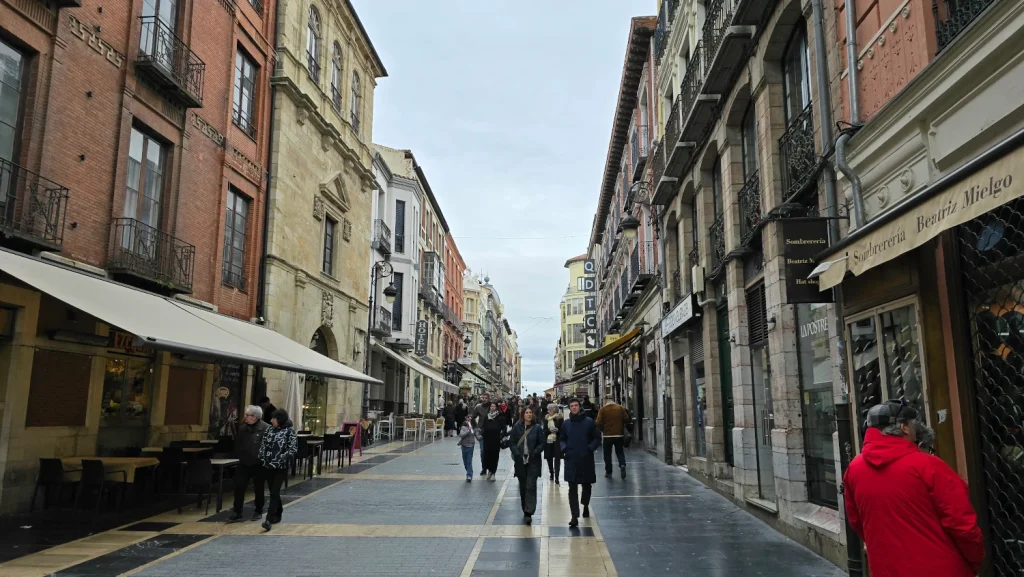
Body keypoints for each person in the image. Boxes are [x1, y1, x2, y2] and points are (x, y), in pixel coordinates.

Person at [843, 401, 984, 577]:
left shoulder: (854, 469)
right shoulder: (928, 466)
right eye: (913, 425)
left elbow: (857, 522)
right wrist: (975, 562)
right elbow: (963, 525)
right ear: (904, 427)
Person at [559, 397, 600, 528]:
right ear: (569, 408)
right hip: (571, 458)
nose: (574, 408)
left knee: (587, 485)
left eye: (576, 405)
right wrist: (564, 448)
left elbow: (597, 438)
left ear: (580, 406)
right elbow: (562, 439)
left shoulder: (589, 422)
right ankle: (574, 516)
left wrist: (589, 449)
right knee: (572, 488)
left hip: (586, 458)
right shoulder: (566, 424)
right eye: (572, 406)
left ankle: (585, 504)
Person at [258, 409, 298, 531]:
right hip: (268, 465)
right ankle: (278, 512)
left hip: (281, 467)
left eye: (273, 419)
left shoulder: (289, 432)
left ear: (279, 419)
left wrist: (281, 458)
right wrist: (262, 456)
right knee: (273, 491)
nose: (271, 421)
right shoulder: (269, 430)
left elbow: (293, 449)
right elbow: (263, 444)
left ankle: (268, 519)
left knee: (274, 492)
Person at [229, 405, 270, 522]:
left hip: (259, 464)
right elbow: (238, 443)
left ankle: (258, 510)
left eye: (247, 415)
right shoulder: (242, 428)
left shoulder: (265, 428)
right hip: (244, 463)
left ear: (255, 417)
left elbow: (268, 446)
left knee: (259, 488)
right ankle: (237, 511)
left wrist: (263, 459)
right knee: (239, 487)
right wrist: (239, 455)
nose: (245, 417)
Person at [509, 406, 545, 524]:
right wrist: (517, 453)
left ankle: (529, 512)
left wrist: (535, 452)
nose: (529, 414)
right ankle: (525, 509)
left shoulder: (537, 428)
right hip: (520, 461)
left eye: (530, 412)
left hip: (533, 461)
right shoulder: (517, 427)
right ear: (523, 414)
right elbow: (512, 442)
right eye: (526, 412)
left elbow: (542, 443)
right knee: (523, 487)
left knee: (531, 486)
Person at [596, 399, 630, 480]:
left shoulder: (603, 410)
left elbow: (598, 422)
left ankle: (609, 472)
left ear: (606, 402)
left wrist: (603, 430)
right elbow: (626, 419)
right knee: (619, 452)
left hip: (607, 436)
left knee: (607, 454)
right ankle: (622, 464)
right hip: (619, 435)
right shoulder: (620, 408)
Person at [481, 402, 507, 481]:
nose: (492, 407)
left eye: (494, 406)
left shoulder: (500, 417)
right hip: (487, 440)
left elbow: (504, 428)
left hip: (495, 440)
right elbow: (483, 427)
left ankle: (493, 473)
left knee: (494, 457)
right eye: (491, 406)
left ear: (496, 407)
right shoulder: (486, 417)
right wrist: (482, 434)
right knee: (487, 456)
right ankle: (489, 471)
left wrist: (501, 436)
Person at [543, 402, 564, 484]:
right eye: (548, 409)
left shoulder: (560, 418)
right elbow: (544, 430)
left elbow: (563, 430)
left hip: (557, 440)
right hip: (548, 440)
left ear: (555, 410)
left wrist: (557, 430)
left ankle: (557, 476)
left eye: (550, 409)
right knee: (549, 458)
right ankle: (551, 473)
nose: (549, 411)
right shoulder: (546, 418)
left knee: (557, 458)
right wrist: (549, 431)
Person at [472, 393, 492, 476]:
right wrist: (476, 427)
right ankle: (484, 468)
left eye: (486, 398)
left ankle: (490, 468)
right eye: (483, 398)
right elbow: (472, 417)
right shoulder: (478, 407)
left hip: (491, 431)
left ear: (488, 399)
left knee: (490, 451)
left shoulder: (492, 406)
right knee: (483, 451)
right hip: (482, 432)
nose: (484, 399)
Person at [457, 415, 476, 481]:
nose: (468, 420)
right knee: (465, 461)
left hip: (471, 445)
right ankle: (469, 471)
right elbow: (461, 435)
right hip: (464, 445)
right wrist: (468, 430)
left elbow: (478, 435)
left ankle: (469, 475)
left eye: (470, 419)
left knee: (469, 461)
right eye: (467, 419)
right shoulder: (463, 427)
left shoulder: (474, 428)